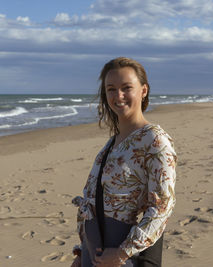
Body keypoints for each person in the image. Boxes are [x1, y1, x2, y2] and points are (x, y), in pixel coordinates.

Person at [71, 57, 177, 267]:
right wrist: (81, 253)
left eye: (126, 87)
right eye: (111, 89)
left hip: (118, 256)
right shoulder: (113, 142)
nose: (118, 96)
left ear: (143, 90)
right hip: (93, 253)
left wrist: (122, 253)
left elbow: (162, 207)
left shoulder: (154, 140)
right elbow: (95, 201)